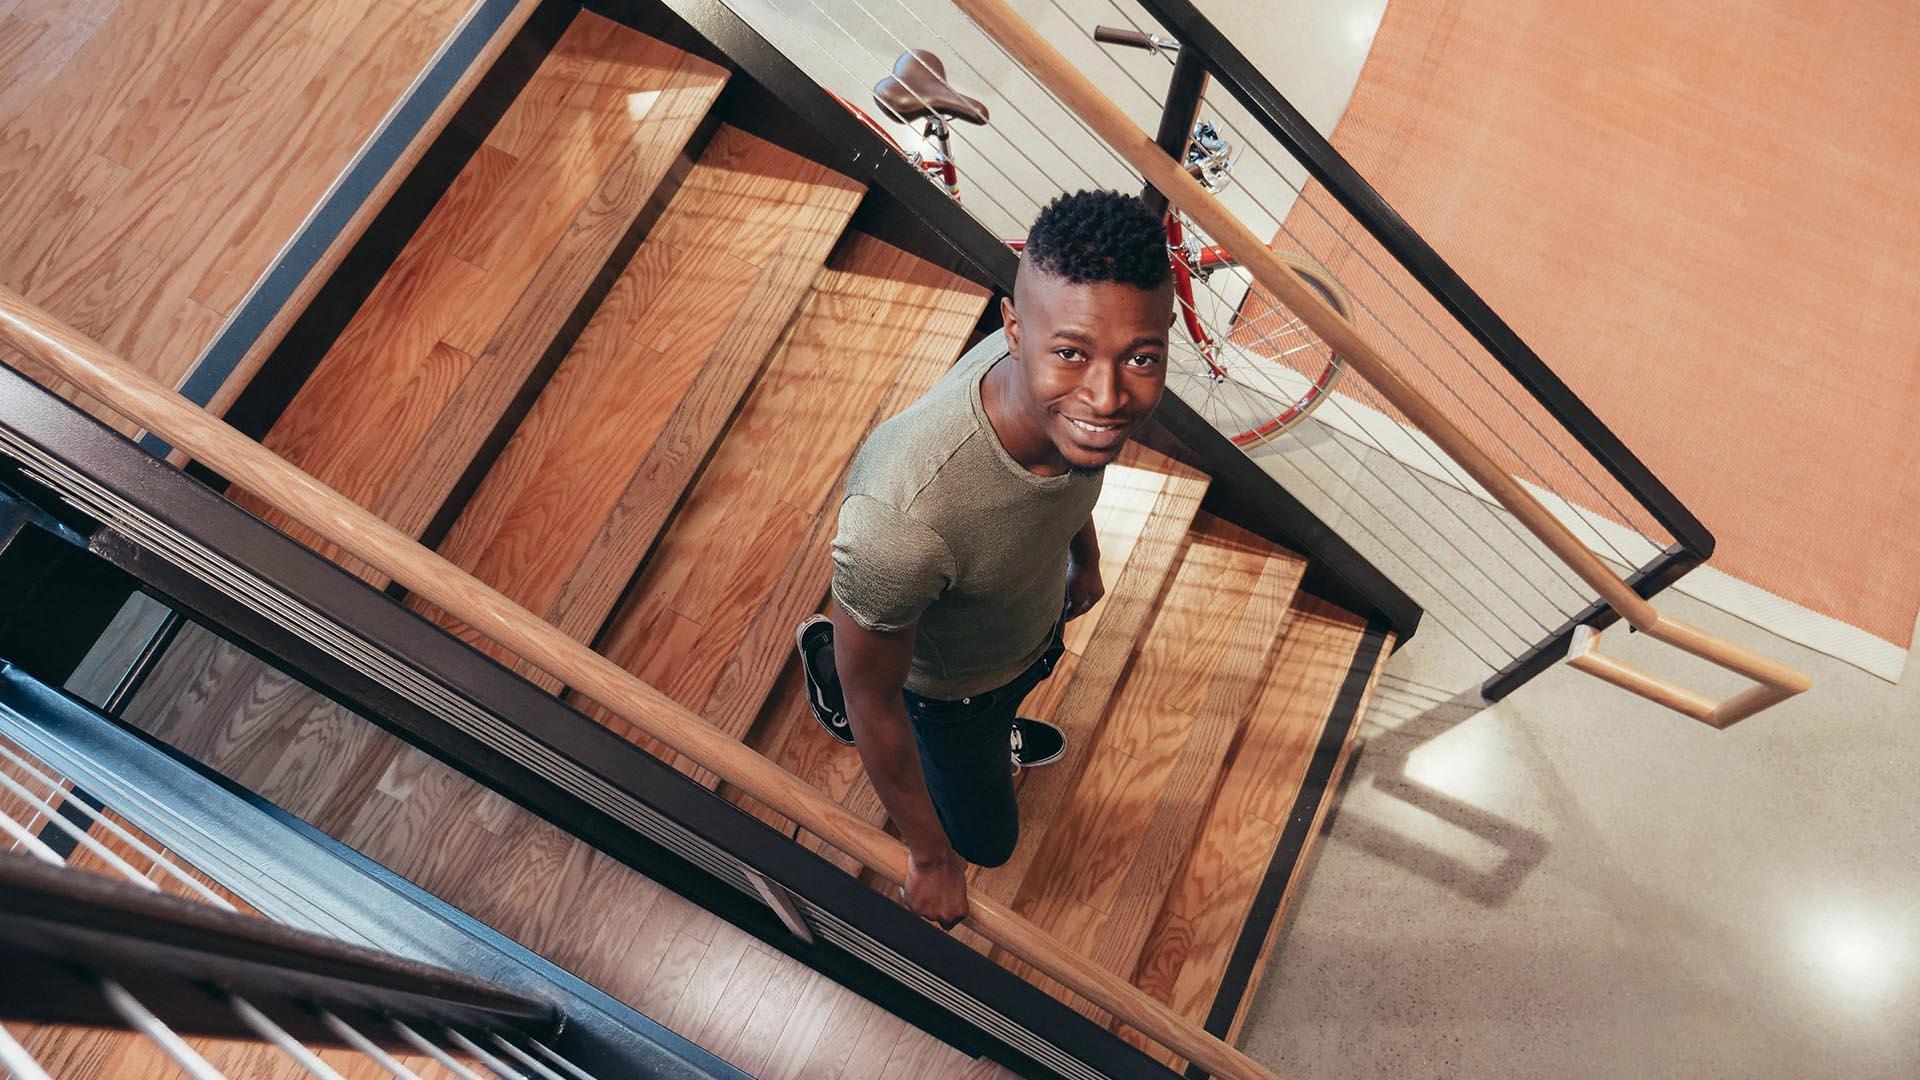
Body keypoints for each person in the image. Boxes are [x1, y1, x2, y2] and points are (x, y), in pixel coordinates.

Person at [795, 189, 1174, 928]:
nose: (1106, 396)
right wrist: (932, 860)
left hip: (1022, 634)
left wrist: (1083, 559)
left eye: (1140, 357)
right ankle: (830, 665)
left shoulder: (1069, 404)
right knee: (988, 841)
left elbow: (1073, 486)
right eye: (1070, 354)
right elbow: (876, 695)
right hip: (947, 690)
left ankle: (964, 721)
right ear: (1013, 330)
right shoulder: (901, 522)